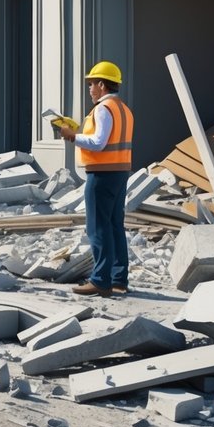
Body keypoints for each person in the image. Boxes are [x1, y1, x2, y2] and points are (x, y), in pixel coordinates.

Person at [59, 61, 134, 298]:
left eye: (91, 84)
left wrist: (73, 136)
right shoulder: (124, 108)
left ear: (102, 85)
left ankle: (100, 280)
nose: (90, 89)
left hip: (102, 174)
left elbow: (99, 142)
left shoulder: (103, 109)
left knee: (97, 227)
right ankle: (118, 280)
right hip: (120, 172)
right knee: (114, 225)